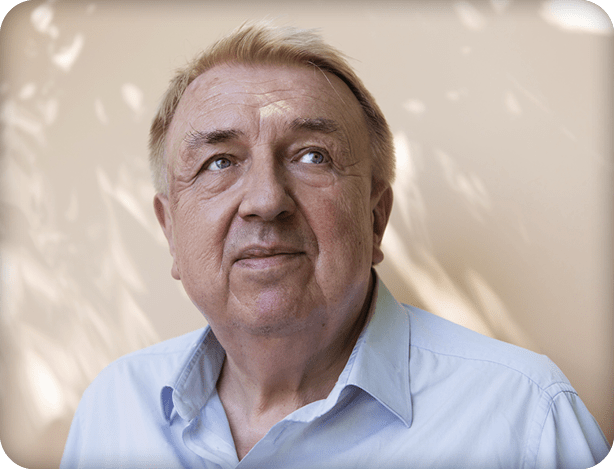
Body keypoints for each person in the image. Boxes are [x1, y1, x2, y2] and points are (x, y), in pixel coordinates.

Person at [60, 22, 610, 469]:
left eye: (312, 156)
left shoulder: (526, 417)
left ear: (376, 218)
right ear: (171, 232)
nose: (266, 200)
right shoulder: (113, 410)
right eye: (219, 162)